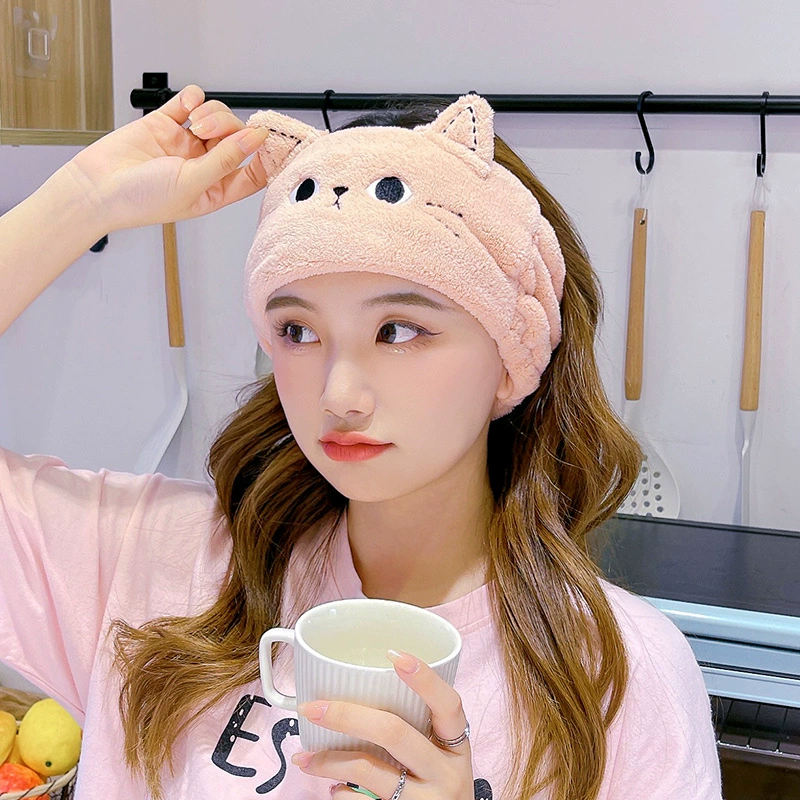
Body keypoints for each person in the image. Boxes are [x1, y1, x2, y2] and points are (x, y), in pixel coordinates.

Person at [0, 85, 723, 800]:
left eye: (398, 330)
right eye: (298, 331)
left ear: (514, 356)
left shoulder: (619, 677)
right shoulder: (155, 563)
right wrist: (83, 198)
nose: (338, 394)